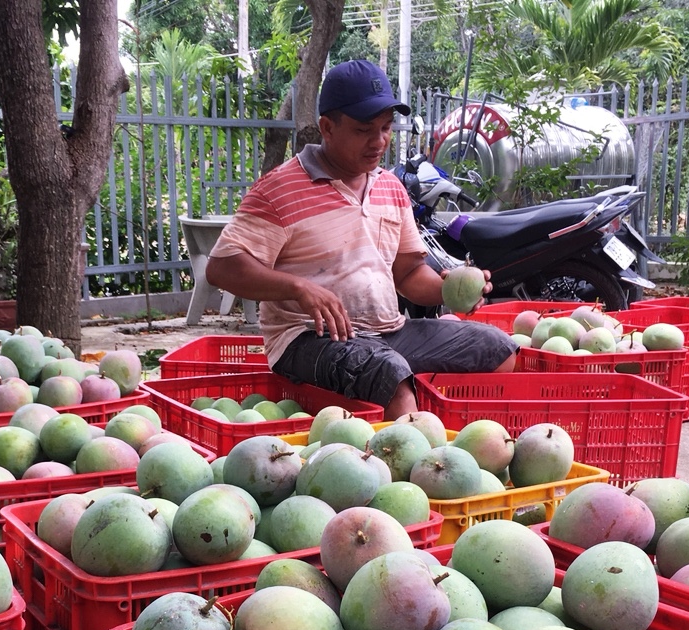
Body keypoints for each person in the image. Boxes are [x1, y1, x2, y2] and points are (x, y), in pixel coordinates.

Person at [205, 59, 518, 420]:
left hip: (389, 332)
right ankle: (412, 468)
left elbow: (408, 276)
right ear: (327, 127)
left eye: (386, 128)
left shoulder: (390, 187)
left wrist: (450, 289)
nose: (379, 141)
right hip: (307, 340)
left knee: (497, 348)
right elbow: (223, 268)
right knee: (386, 373)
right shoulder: (278, 190)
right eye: (364, 130)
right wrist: (298, 288)